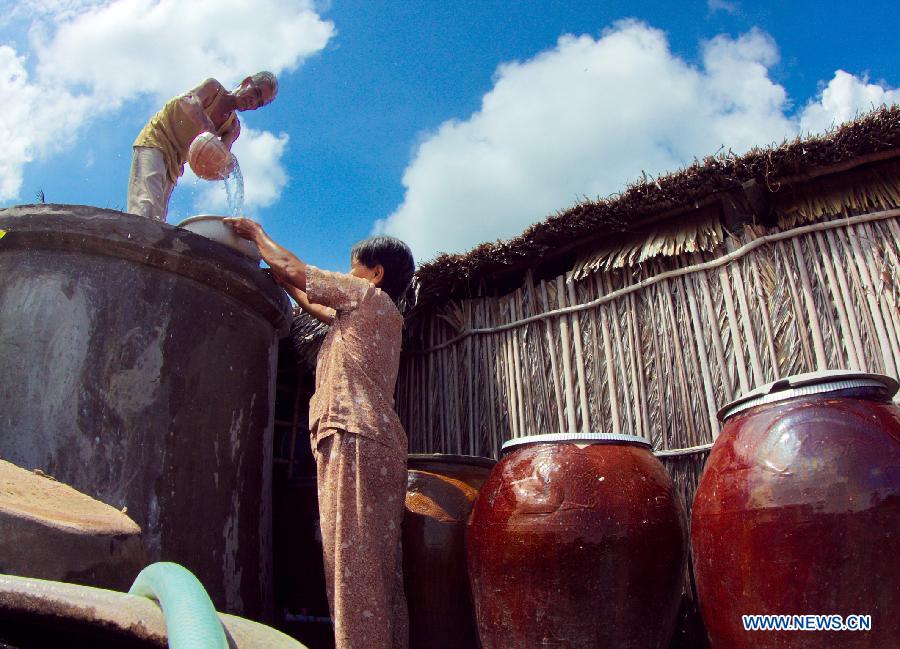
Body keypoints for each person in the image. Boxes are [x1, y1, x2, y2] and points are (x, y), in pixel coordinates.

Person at [225, 217, 414, 649]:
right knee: (379, 566)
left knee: (352, 564)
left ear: (375, 273)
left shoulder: (366, 296)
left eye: (352, 269)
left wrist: (256, 235)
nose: (347, 277)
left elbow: (299, 271)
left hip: (354, 435)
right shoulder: (380, 317)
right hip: (378, 443)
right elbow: (312, 300)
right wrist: (280, 276)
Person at [127, 72, 278, 222]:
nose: (253, 102)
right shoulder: (213, 89)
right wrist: (207, 126)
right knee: (145, 206)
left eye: (259, 103)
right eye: (256, 92)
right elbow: (186, 100)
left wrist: (225, 167)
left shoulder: (232, 127)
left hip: (175, 162)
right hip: (156, 138)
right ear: (246, 82)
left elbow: (219, 161)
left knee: (157, 217)